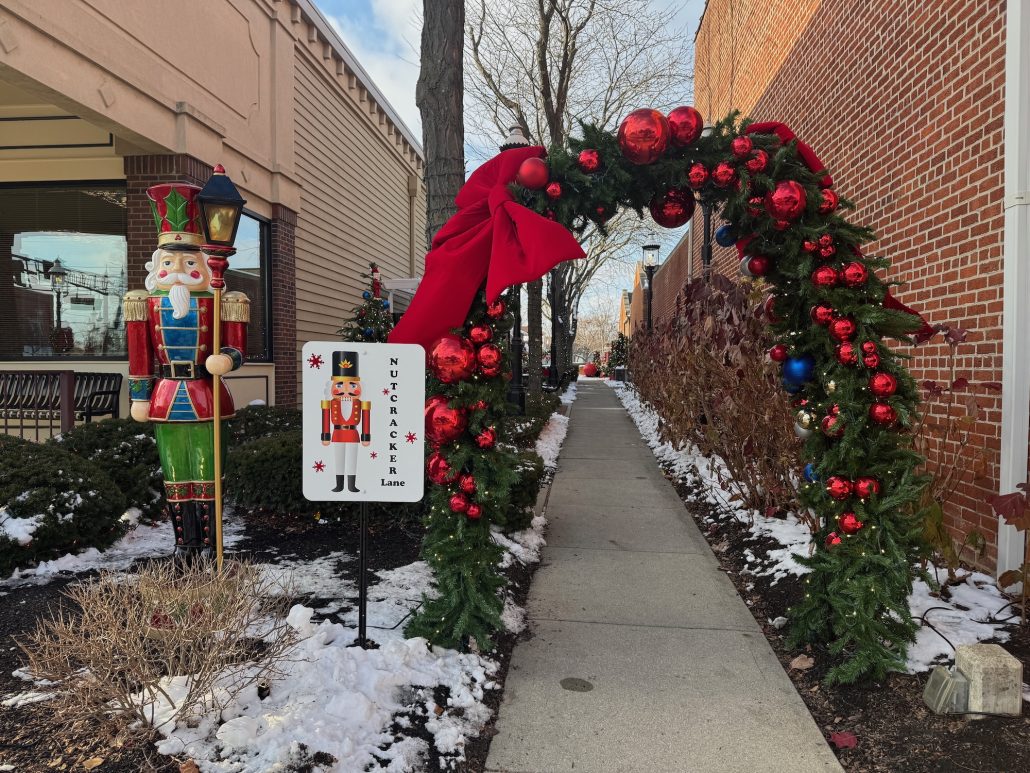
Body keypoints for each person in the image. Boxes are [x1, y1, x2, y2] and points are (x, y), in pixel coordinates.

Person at [123, 182, 249, 559]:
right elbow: (140, 355)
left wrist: (226, 359)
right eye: (170, 263)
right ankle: (185, 544)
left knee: (209, 474)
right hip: (166, 395)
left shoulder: (222, 300)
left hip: (207, 395)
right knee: (176, 475)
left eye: (189, 262)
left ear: (204, 265)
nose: (179, 270)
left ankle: (211, 543)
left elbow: (238, 348)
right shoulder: (143, 304)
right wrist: (141, 395)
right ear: (157, 267)